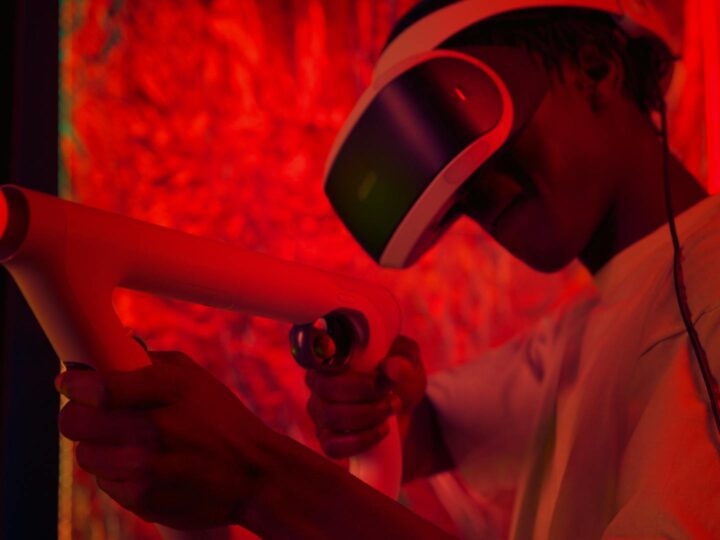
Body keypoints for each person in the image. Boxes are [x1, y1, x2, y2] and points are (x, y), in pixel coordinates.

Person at [56, 2, 720, 539]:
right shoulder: (591, 326)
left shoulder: (708, 290)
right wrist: (384, 408)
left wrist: (256, 478)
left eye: (485, 143)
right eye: (458, 189)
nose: (481, 200)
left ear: (598, 70)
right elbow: (433, 431)